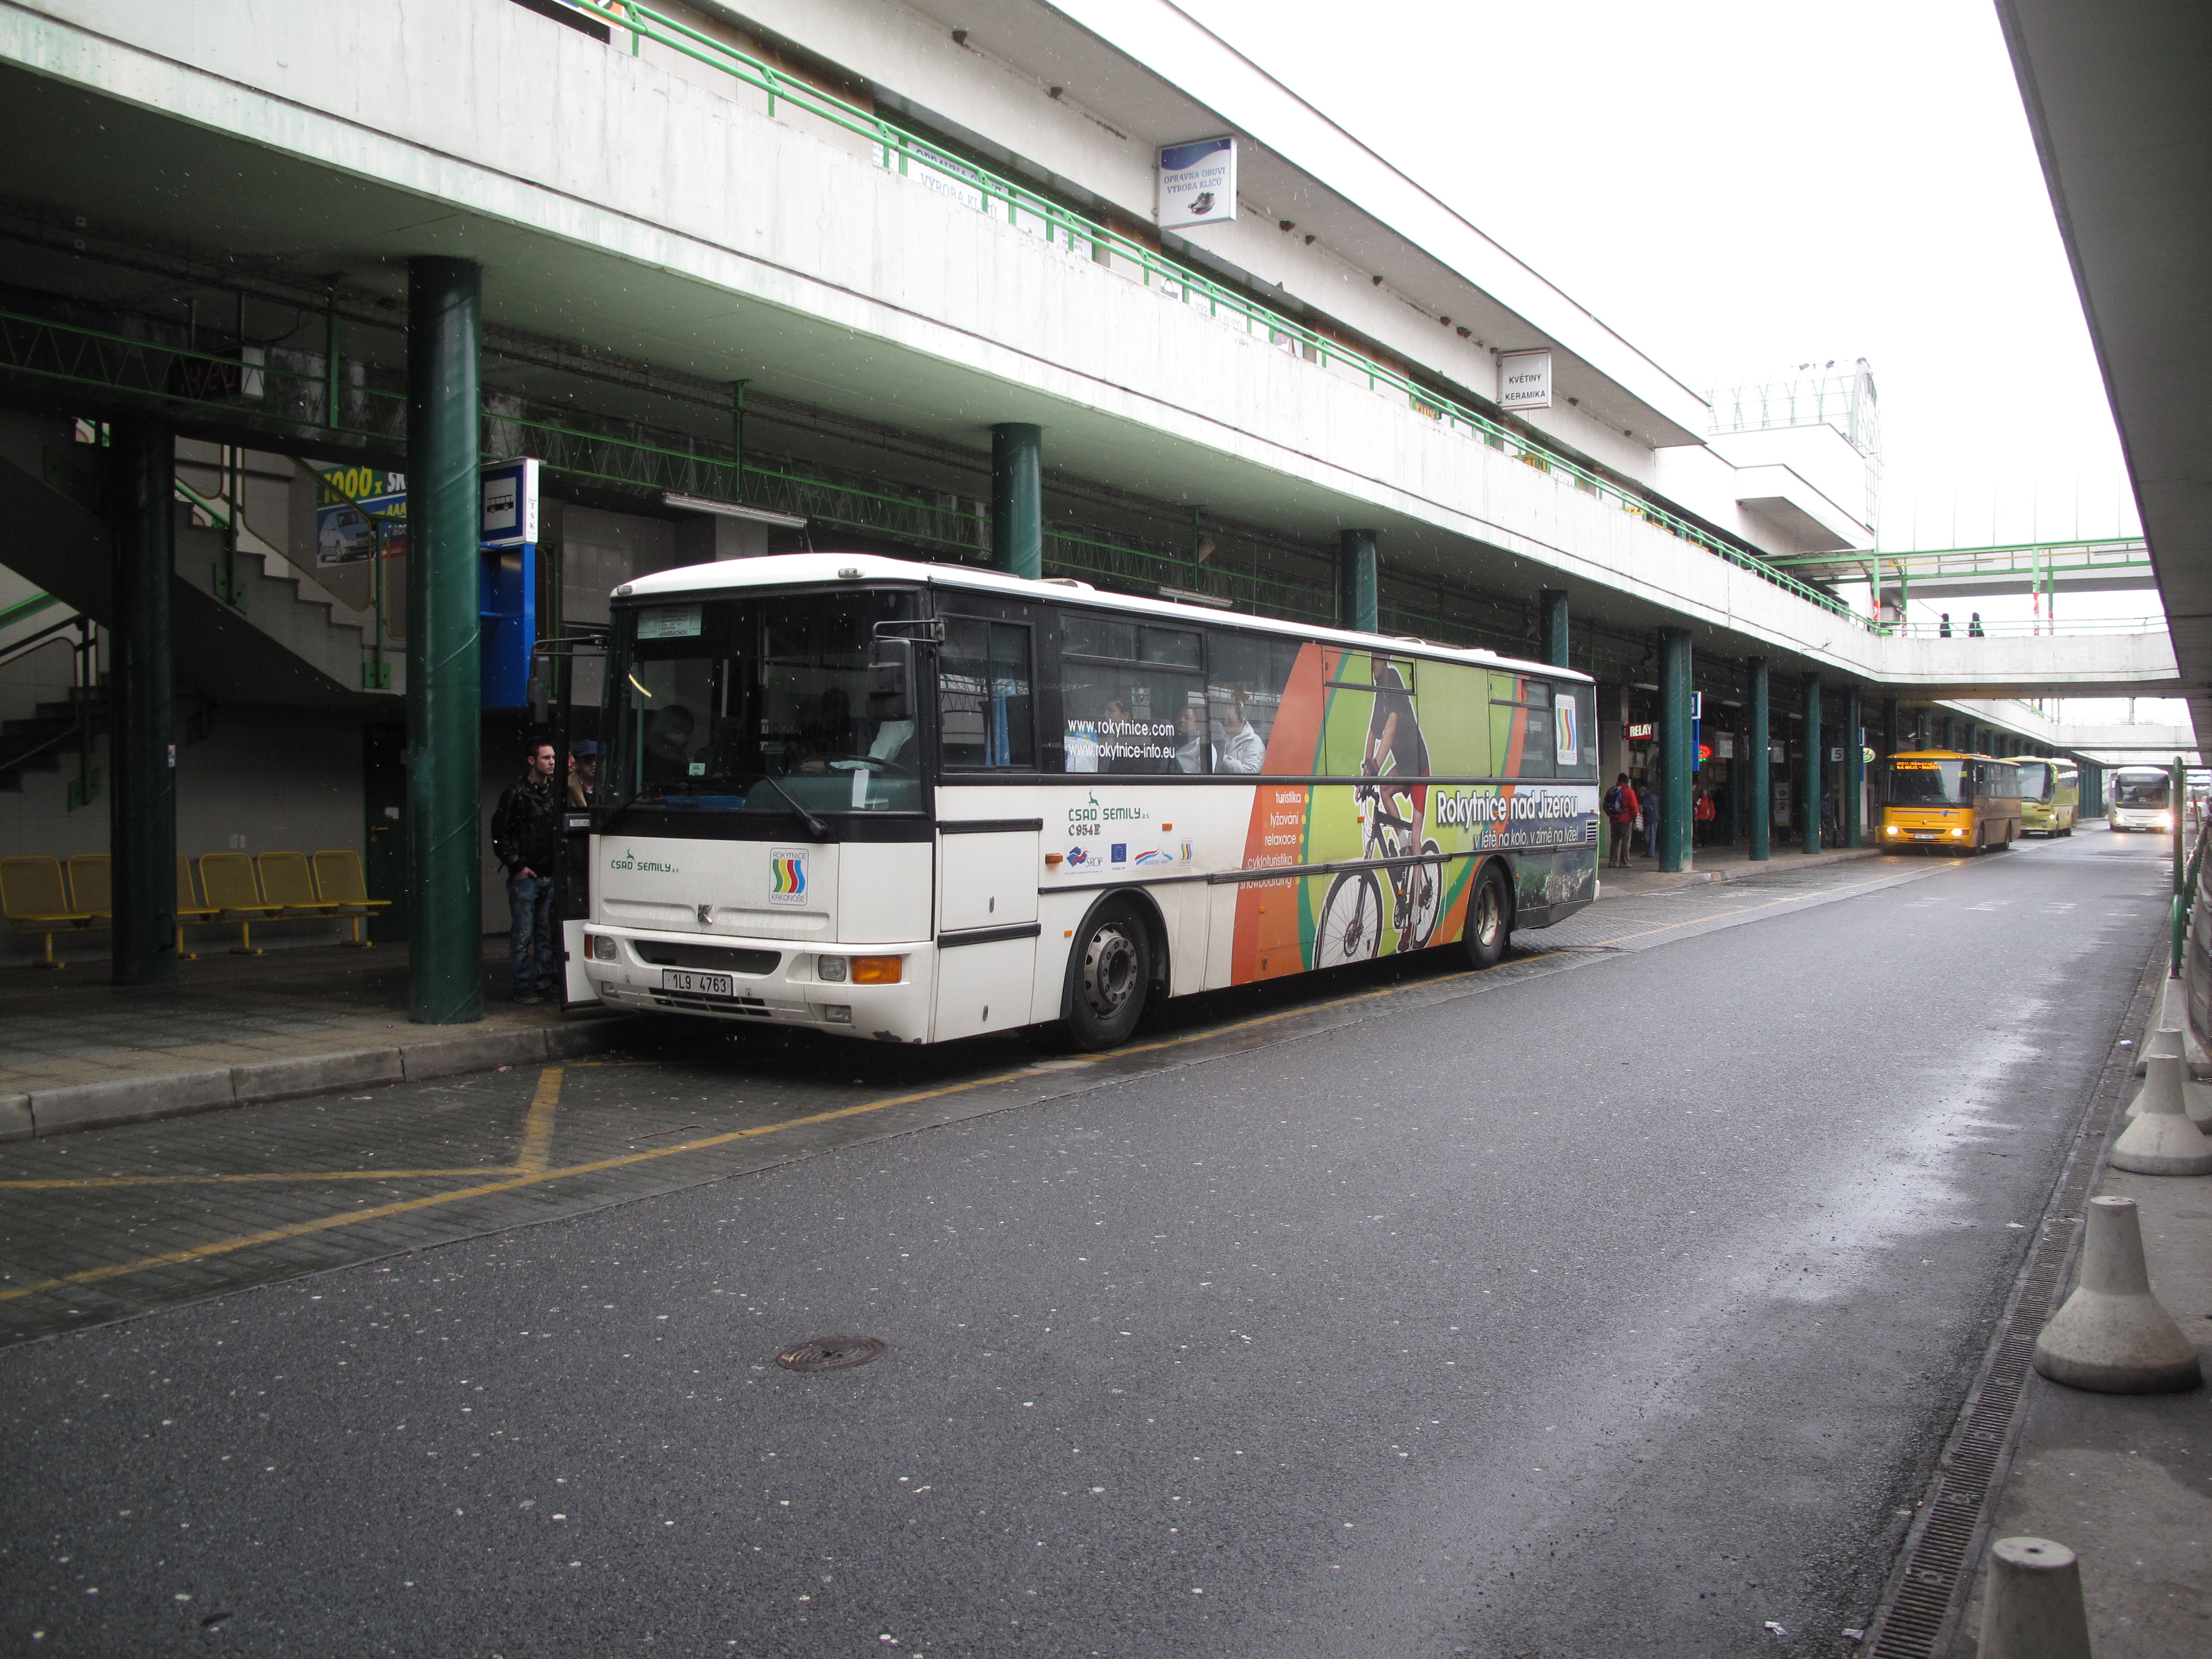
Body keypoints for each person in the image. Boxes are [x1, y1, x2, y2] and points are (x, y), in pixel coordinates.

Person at [491, 738, 564, 1004]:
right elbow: (501, 833)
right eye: (546, 758)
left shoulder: (554, 792)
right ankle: (523, 986)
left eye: (553, 758)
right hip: (528, 874)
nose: (552, 762)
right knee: (524, 934)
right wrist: (517, 866)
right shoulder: (516, 793)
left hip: (546, 872)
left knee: (545, 933)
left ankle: (543, 983)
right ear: (532, 761)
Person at [1215, 688, 1267, 774]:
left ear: (1242, 717)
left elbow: (1252, 772)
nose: (1226, 722)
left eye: (1230, 718)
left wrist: (1224, 758)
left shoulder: (1253, 742)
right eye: (1223, 719)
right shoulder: (1219, 738)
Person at [643, 705, 696, 788]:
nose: (690, 738)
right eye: (687, 733)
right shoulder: (670, 755)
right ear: (673, 732)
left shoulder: (648, 751)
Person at [1604, 772, 1638, 868]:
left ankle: (1612, 862)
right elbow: (1634, 807)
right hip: (1626, 820)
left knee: (1614, 841)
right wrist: (1633, 817)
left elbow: (1605, 805)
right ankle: (1624, 862)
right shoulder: (1629, 791)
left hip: (1613, 820)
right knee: (1625, 842)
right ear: (1627, 781)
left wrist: (1611, 816)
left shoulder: (1610, 791)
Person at [1172, 703, 1208, 773]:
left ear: (1197, 723)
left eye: (1187, 717)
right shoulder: (1169, 741)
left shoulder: (1202, 747)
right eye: (1179, 717)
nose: (1182, 720)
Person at [567, 739, 597, 807]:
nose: (593, 764)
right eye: (587, 760)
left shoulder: (610, 786)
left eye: (596, 759)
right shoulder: (568, 789)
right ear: (577, 763)